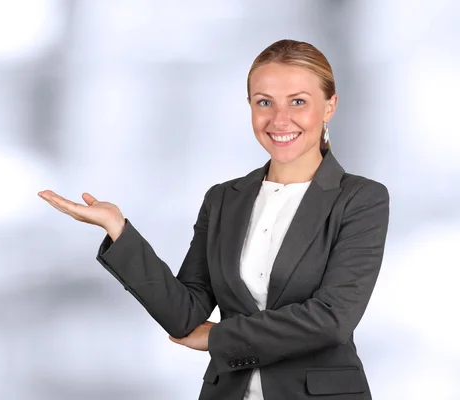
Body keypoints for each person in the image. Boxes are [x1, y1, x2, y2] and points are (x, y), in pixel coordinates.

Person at [38, 39, 390, 400]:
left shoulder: (361, 199)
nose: (279, 119)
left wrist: (217, 337)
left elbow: (331, 320)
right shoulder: (224, 199)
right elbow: (185, 315)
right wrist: (118, 229)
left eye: (298, 102)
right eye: (264, 102)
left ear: (330, 106)